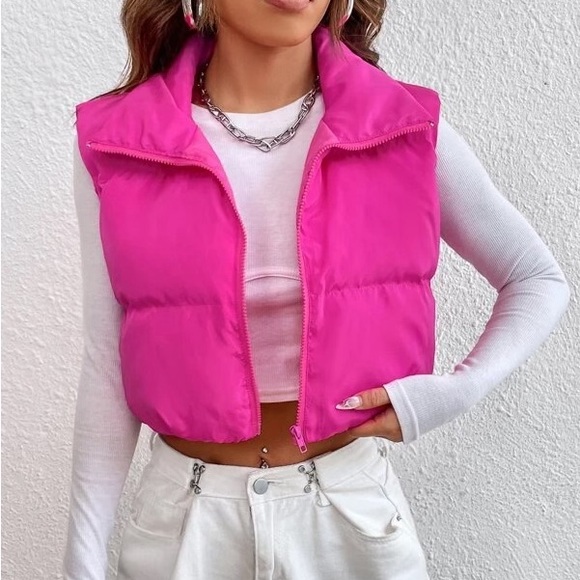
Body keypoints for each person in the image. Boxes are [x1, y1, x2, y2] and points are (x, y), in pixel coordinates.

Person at [62, 1, 570, 579]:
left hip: (349, 518)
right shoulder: (119, 141)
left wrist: (456, 391)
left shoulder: (402, 126)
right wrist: (81, 562)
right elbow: (106, 362)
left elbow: (535, 278)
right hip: (184, 527)